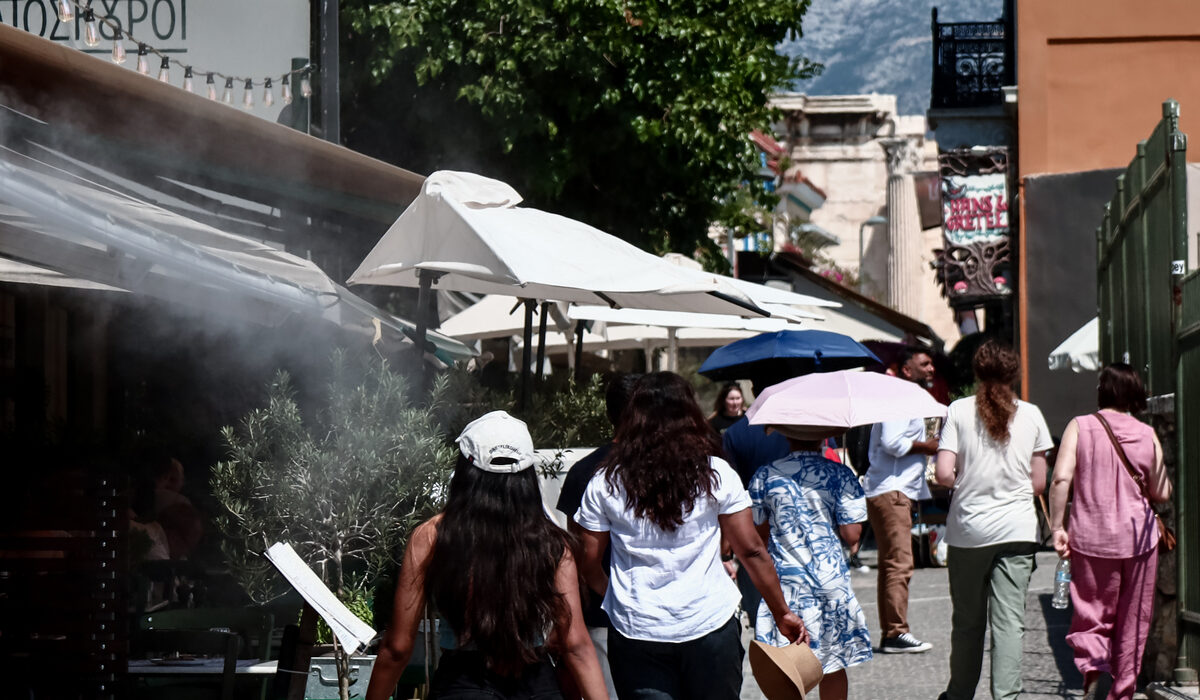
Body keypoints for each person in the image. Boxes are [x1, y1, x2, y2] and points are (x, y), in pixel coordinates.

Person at [575, 372, 806, 700]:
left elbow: (587, 560)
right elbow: (752, 551)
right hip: (709, 622)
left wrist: (614, 594)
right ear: (690, 415)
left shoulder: (606, 481)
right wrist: (781, 611)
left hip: (637, 630)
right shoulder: (715, 473)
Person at [367, 411, 608, 700]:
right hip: (536, 683)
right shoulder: (551, 541)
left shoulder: (433, 536)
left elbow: (397, 648)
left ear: (465, 471)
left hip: (463, 683)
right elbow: (576, 645)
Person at [934, 340, 1053, 700]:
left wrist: (968, 480)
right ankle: (1007, 696)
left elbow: (942, 474)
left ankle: (958, 695)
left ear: (977, 372)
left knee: (967, 623)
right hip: (1018, 529)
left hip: (969, 530)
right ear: (1014, 373)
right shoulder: (1031, 415)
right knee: (1009, 625)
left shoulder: (958, 410)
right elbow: (1038, 483)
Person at [1048, 363, 1171, 700]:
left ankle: (1091, 670)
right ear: (1134, 393)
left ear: (1102, 390)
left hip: (1091, 536)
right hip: (1139, 538)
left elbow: (1060, 478)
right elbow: (1161, 491)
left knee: (1092, 612)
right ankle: (1123, 691)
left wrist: (1057, 526)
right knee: (1134, 617)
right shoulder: (1147, 433)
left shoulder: (1081, 426)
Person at [750, 425, 873, 700]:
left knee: (786, 666)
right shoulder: (840, 474)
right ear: (823, 437)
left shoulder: (765, 475)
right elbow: (851, 534)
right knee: (833, 665)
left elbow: (757, 535)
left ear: (786, 434)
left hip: (785, 585)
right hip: (830, 582)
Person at [556, 373, 642, 700]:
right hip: (660, 619)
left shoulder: (583, 470)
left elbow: (573, 550)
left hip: (601, 614)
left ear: (609, 414)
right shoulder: (665, 469)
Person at [863, 346, 939, 653]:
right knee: (899, 563)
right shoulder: (900, 398)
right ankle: (895, 632)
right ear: (907, 370)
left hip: (893, 489)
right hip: (891, 490)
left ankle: (892, 631)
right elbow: (892, 442)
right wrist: (928, 446)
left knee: (891, 564)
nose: (931, 368)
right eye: (925, 363)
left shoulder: (907, 398)